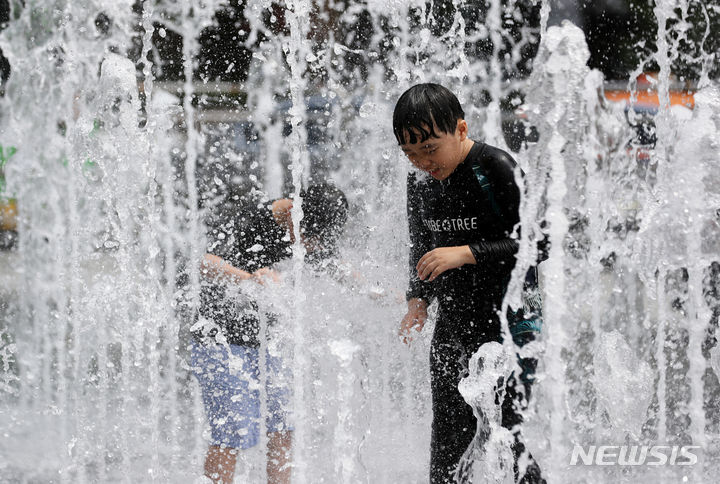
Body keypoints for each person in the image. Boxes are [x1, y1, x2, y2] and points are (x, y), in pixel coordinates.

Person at [393, 83, 547, 484]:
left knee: (504, 437)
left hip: (511, 322)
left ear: (460, 130)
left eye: (430, 148)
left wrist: (466, 252)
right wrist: (418, 300)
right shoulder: (421, 182)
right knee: (447, 447)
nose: (423, 161)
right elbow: (422, 247)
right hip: (454, 322)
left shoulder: (495, 165)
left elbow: (539, 242)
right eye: (411, 153)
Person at [192, 183, 349, 484]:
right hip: (219, 341)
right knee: (231, 432)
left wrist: (390, 294)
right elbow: (204, 262)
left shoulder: (307, 225)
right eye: (304, 235)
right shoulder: (245, 214)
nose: (307, 244)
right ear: (292, 210)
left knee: (284, 425)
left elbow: (333, 266)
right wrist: (249, 278)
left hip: (267, 341)